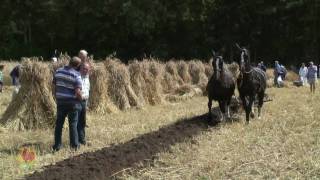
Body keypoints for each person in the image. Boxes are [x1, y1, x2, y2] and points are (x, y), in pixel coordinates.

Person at [52, 57, 83, 151]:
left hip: (61, 102)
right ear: (77, 65)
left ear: (69, 62)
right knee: (73, 124)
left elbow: (53, 86)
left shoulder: (58, 71)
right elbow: (78, 92)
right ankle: (74, 146)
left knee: (59, 124)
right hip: (72, 103)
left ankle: (57, 146)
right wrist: (81, 100)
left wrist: (56, 96)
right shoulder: (76, 75)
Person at [77, 62, 90, 145]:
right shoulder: (77, 77)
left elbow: (87, 90)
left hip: (84, 101)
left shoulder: (87, 77)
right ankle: (78, 141)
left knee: (83, 121)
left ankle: (82, 139)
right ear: (80, 68)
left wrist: (86, 103)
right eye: (84, 68)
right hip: (78, 101)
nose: (86, 70)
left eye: (87, 69)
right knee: (78, 121)